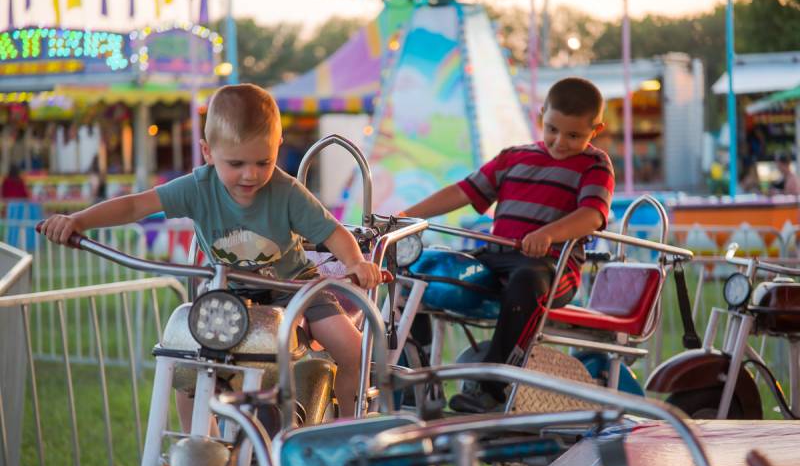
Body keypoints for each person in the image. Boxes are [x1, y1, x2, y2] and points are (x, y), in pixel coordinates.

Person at [39, 83, 382, 420]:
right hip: (226, 292)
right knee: (190, 366)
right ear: (207, 152)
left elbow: (334, 233)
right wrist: (79, 220)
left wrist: (355, 261)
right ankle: (197, 450)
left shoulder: (287, 191)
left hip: (293, 287)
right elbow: (134, 206)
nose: (251, 175)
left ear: (277, 146)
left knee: (352, 349)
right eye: (235, 163)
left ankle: (347, 429)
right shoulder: (198, 188)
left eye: (263, 162)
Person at [402, 77, 614, 413]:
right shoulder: (513, 158)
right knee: (417, 271)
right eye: (552, 129)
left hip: (553, 266)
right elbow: (462, 191)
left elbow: (592, 214)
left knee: (529, 281)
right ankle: (413, 379)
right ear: (541, 115)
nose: (560, 142)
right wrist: (404, 217)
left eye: (574, 135)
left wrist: (549, 234)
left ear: (596, 129)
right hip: (495, 257)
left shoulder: (594, 165)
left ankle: (494, 387)